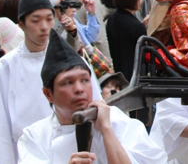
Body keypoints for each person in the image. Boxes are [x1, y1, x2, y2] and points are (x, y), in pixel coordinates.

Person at [0, 0, 102, 164]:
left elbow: (95, 105)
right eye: (36, 20)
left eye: (49, 18)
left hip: (73, 149)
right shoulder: (5, 67)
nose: (44, 26)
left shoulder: (71, 61)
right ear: (21, 24)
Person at [17, 30, 166, 163]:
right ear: (48, 94)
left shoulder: (117, 121)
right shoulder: (36, 136)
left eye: (84, 80)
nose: (79, 89)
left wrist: (106, 129)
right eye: (68, 83)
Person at [106, 0, 147, 80]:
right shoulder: (137, 26)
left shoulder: (112, 18)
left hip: (117, 70)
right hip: (133, 74)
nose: (141, 0)